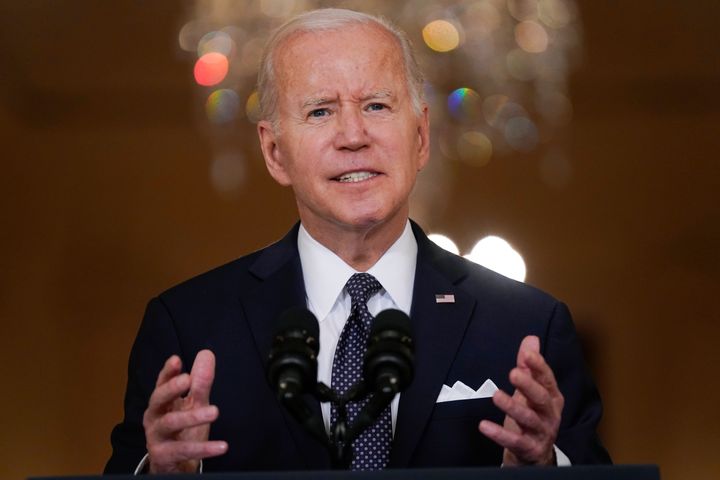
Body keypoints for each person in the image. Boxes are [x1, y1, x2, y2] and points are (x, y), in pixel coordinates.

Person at [105, 8, 611, 474]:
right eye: (321, 111)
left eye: (376, 105)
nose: (353, 136)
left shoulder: (528, 329)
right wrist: (162, 474)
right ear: (275, 152)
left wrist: (545, 467)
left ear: (420, 137)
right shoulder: (187, 329)